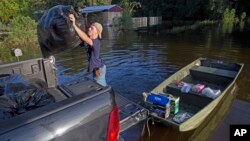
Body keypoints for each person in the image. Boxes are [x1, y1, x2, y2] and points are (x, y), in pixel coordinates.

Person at [69, 14, 107, 86]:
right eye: (90, 27)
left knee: (100, 87)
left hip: (99, 69)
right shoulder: (91, 41)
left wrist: (74, 25)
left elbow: (86, 38)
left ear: (97, 32)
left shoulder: (96, 42)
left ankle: (108, 95)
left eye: (92, 28)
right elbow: (82, 38)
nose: (89, 28)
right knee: (99, 85)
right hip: (98, 68)